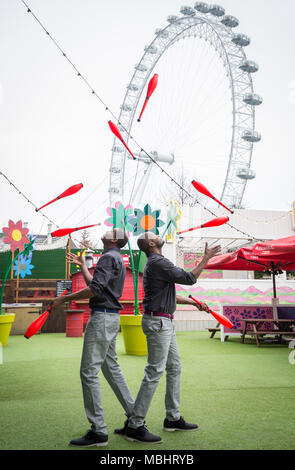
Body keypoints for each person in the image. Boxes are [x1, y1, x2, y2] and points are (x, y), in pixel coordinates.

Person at [116, 232, 221, 444]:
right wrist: (206, 258)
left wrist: (193, 303)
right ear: (152, 243)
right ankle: (135, 425)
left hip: (164, 322)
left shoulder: (155, 264)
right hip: (159, 323)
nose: (157, 234)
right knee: (154, 371)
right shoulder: (158, 262)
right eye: (153, 234)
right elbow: (190, 279)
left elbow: (168, 294)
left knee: (174, 367)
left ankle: (172, 418)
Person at [51, 228, 134, 447]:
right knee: (111, 369)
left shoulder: (108, 257)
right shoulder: (115, 258)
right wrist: (83, 266)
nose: (107, 231)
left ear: (114, 239)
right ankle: (135, 419)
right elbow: (96, 285)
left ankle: (99, 431)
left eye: (111, 231)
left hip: (102, 318)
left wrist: (64, 298)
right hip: (111, 318)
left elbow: (95, 290)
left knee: (88, 372)